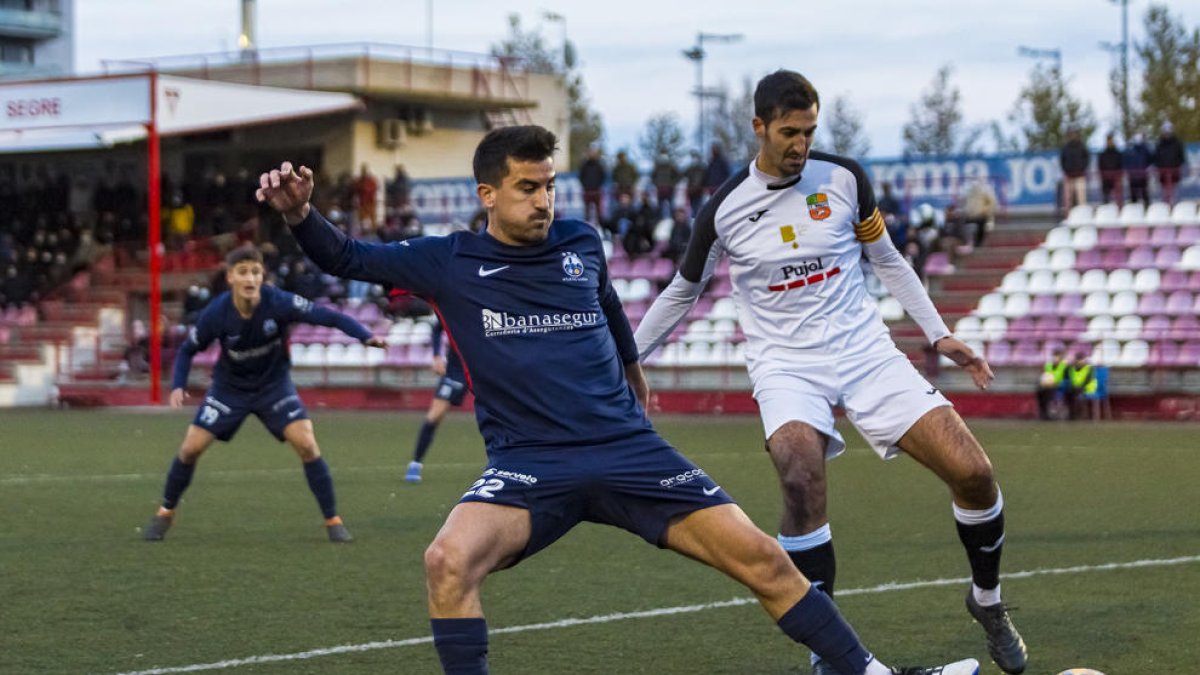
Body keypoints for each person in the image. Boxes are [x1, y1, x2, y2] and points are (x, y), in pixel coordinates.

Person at [256, 126, 979, 675]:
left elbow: (604, 303)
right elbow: (345, 258)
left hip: (628, 451)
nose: (544, 201)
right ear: (487, 195)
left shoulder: (581, 241)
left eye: (549, 187)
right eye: (527, 188)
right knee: (447, 560)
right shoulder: (448, 262)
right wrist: (299, 216)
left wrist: (633, 368)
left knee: (765, 558)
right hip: (531, 465)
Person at [633, 71, 1027, 675]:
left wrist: (939, 333)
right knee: (798, 473)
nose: (801, 144)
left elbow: (887, 258)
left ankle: (988, 602)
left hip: (865, 351)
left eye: (810, 130)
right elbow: (682, 293)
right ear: (759, 126)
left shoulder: (844, 179)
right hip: (785, 364)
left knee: (974, 472)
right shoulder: (725, 209)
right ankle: (830, 654)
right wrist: (627, 360)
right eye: (790, 132)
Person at [142, 246, 387, 543]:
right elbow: (187, 350)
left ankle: (333, 521)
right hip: (229, 389)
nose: (250, 278)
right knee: (190, 448)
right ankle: (165, 512)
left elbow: (327, 317)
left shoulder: (279, 302)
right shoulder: (216, 313)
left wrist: (364, 335)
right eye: (243, 272)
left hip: (273, 386)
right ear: (230, 277)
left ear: (263, 276)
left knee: (307, 443)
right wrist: (178, 384)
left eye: (256, 272)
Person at [406, 319, 469, 484]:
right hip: (456, 370)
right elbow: (437, 328)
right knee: (434, 416)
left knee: (497, 414)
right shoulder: (453, 302)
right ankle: (416, 464)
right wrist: (436, 356)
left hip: (485, 367)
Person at [1153, 121, 1185, 206]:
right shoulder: (1159, 144)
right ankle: (1165, 208)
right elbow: (1156, 159)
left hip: (1175, 175)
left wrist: (1176, 166)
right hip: (1163, 175)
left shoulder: (1178, 143)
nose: (1167, 133)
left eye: (1168, 130)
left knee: (1176, 195)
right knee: (1164, 196)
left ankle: (1176, 208)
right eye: (1165, 131)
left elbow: (1181, 158)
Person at [1059, 127, 1089, 212]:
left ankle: (1083, 214)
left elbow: (1086, 158)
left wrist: (1082, 168)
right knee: (1068, 198)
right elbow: (1062, 161)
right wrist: (1067, 169)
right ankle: (1069, 215)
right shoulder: (1066, 148)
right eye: (1071, 134)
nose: (1072, 136)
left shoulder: (1081, 146)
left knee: (1081, 197)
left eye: (1074, 134)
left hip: (1080, 175)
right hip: (1069, 176)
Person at [577, 145, 608, 224]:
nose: (592, 154)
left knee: (599, 212)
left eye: (593, 152)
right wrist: (585, 185)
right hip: (587, 191)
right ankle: (587, 225)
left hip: (597, 191)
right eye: (590, 152)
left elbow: (603, 176)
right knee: (587, 212)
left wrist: (598, 185)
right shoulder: (584, 165)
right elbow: (581, 176)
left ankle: (600, 226)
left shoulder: (599, 165)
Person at [1035, 349, 1069, 421]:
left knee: (1050, 393)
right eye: (1055, 356)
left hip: (1059, 387)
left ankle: (1052, 413)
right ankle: (1043, 413)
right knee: (1040, 391)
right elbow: (1044, 376)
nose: (1056, 358)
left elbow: (1067, 380)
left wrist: (1057, 384)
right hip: (1047, 386)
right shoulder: (1048, 365)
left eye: (1058, 356)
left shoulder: (1065, 366)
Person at [1123, 133, 1153, 207]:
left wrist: (1146, 168)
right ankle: (1134, 209)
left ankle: (1147, 207)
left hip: (1143, 176)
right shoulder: (1130, 151)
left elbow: (1150, 159)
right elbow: (1126, 162)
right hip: (1133, 176)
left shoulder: (1145, 150)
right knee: (1133, 195)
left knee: (1144, 193)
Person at [1065, 351, 1095, 421]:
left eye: (1081, 359)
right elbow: (1068, 377)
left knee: (1075, 392)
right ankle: (1072, 414)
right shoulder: (1071, 368)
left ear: (1084, 360)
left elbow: (1088, 380)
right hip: (1076, 388)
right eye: (1078, 359)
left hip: (1088, 388)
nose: (1079, 361)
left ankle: (1076, 414)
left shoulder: (1089, 368)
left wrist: (1079, 386)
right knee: (1069, 392)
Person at [1097, 133, 1124, 205]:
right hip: (1106, 178)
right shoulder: (1102, 154)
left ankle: (1119, 207)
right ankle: (1106, 207)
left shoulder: (1118, 153)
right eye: (1109, 140)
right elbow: (1100, 165)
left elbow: (1120, 164)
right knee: (1106, 196)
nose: (1110, 142)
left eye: (1111, 140)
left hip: (1116, 178)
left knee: (1118, 195)